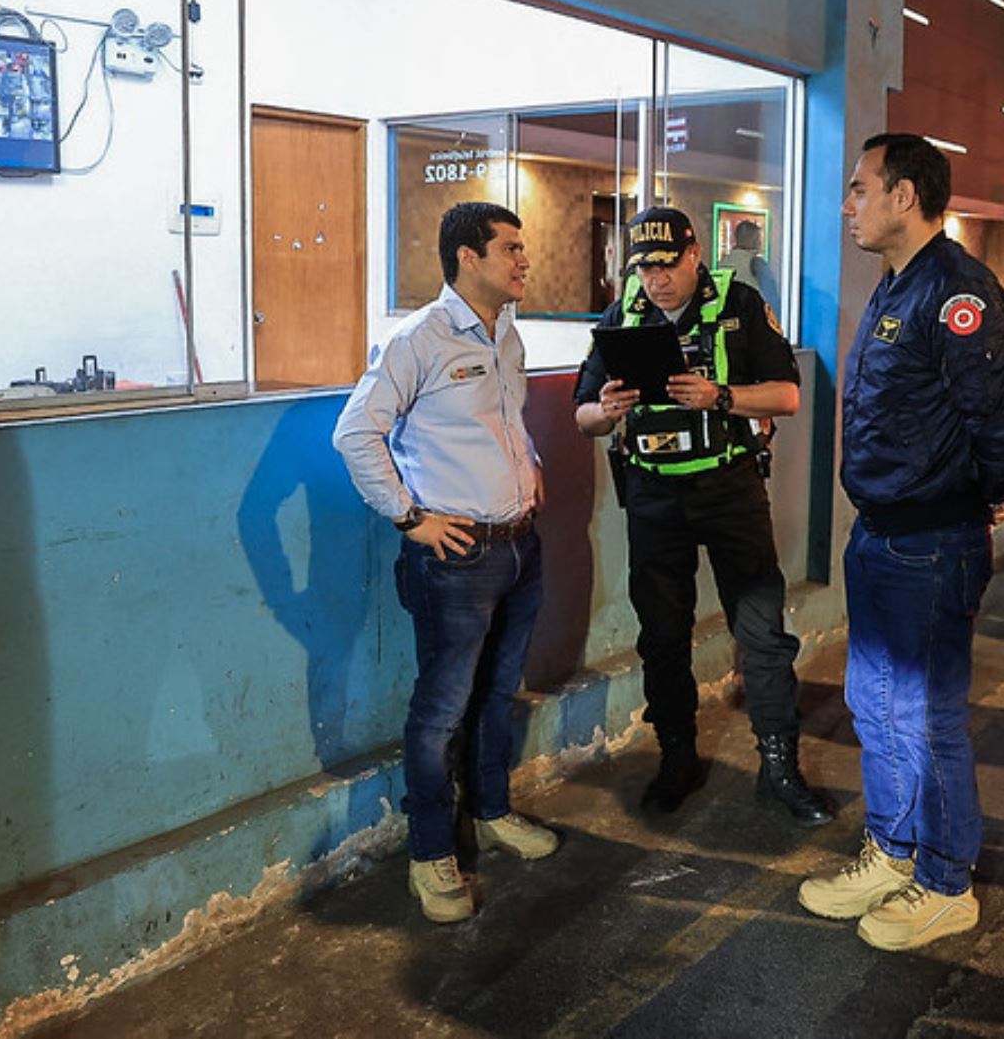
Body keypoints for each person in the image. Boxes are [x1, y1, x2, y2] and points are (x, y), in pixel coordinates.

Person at [797, 133, 1004, 951]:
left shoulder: (956, 290)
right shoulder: (900, 282)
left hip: (932, 541)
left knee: (926, 717)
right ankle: (894, 850)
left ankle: (945, 881)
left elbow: (1002, 420)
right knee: (874, 705)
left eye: (859, 187)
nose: (847, 202)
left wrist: (985, 495)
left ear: (904, 195)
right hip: (883, 536)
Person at [332, 201, 555, 925]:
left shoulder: (506, 333)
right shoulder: (419, 339)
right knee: (439, 715)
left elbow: (505, 420)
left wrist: (532, 467)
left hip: (520, 545)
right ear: (467, 256)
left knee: (497, 693)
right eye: (511, 248)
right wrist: (411, 518)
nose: (524, 260)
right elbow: (354, 434)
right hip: (457, 560)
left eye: (524, 248)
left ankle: (491, 811)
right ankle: (431, 854)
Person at [574, 205, 832, 825]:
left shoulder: (740, 306)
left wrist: (721, 396)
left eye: (666, 264)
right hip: (654, 497)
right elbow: (581, 415)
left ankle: (779, 766)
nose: (656, 279)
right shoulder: (622, 318)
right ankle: (678, 758)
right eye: (644, 267)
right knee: (662, 638)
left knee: (762, 635)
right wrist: (606, 409)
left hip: (730, 491)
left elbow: (789, 396)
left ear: (694, 255)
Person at [720, 218, 782, 306]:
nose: (760, 243)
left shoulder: (723, 262)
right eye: (758, 238)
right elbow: (772, 297)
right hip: (753, 313)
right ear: (752, 239)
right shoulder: (757, 263)